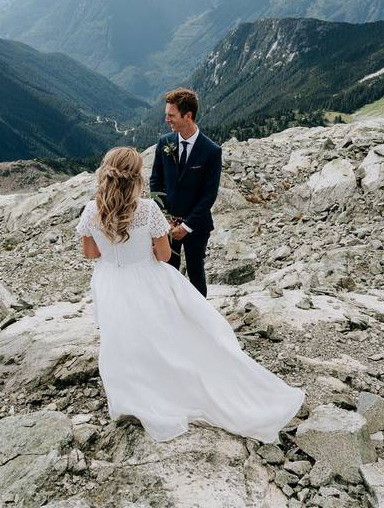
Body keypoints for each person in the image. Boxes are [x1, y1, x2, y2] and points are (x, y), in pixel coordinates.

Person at [76, 147, 304, 443]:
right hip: (147, 278)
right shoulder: (146, 209)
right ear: (136, 177)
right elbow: (162, 254)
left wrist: (115, 251)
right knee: (165, 333)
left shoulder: (92, 210)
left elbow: (91, 253)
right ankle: (172, 381)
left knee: (120, 335)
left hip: (110, 282)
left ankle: (131, 393)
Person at [149, 88, 221, 297]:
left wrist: (187, 225)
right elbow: (156, 181)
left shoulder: (211, 151)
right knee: (168, 271)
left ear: (187, 116)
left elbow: (209, 195)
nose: (166, 119)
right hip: (167, 224)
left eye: (171, 115)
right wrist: (165, 218)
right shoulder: (165, 143)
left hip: (196, 226)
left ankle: (201, 320)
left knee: (196, 272)